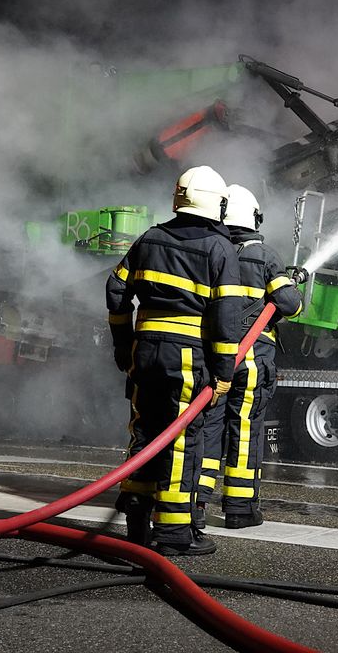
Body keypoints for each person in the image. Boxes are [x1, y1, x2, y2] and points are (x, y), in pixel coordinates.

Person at [105, 165, 242, 556]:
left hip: (144, 350)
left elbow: (115, 287)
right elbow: (225, 318)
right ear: (217, 205)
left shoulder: (150, 238)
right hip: (186, 355)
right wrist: (223, 373)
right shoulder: (220, 249)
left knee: (144, 431)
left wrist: (122, 341)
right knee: (182, 440)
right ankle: (175, 533)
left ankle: (135, 515)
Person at [195, 184, 302, 531]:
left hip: (215, 358)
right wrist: (293, 282)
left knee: (209, 427)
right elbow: (290, 305)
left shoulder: (212, 251)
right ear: (254, 218)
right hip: (252, 360)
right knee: (244, 428)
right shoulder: (265, 256)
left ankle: (195, 502)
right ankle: (239, 509)